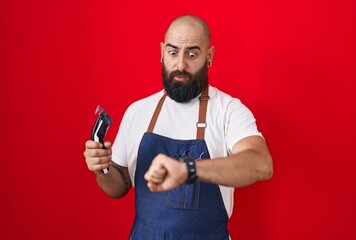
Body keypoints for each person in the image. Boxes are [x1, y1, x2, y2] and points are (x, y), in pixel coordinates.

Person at [84, 14, 273, 239]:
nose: (180, 64)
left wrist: (189, 170)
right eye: (173, 53)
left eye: (192, 54)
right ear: (162, 52)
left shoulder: (228, 110)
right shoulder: (138, 111)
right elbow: (119, 185)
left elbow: (261, 164)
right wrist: (102, 168)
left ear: (209, 56)